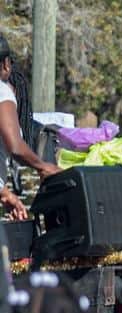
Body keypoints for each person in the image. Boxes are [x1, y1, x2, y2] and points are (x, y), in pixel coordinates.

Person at [0, 35, 54, 218]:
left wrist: (4, 193)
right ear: (6, 64)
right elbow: (15, 146)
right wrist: (43, 167)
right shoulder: (2, 90)